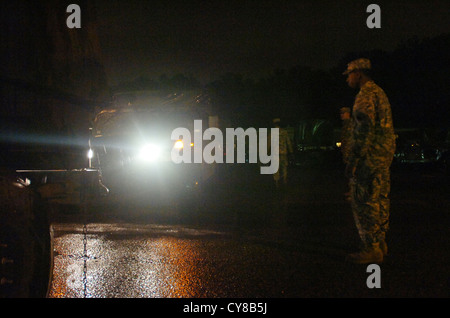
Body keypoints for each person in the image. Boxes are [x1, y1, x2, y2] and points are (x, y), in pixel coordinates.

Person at [343, 58, 396, 264]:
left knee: (364, 202)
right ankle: (380, 242)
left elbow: (364, 131)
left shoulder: (364, 96)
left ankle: (370, 248)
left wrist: (354, 160)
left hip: (369, 158)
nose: (347, 78)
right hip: (383, 156)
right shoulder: (379, 93)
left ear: (358, 74)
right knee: (380, 198)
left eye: (349, 74)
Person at [272, 118, 293, 188]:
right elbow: (288, 143)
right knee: (284, 167)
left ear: (274, 124)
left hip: (275, 154)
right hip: (283, 153)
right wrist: (291, 151)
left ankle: (276, 182)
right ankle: (284, 181)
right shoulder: (285, 132)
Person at [340, 107, 352, 201]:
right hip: (347, 153)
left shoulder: (351, 124)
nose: (342, 115)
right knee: (349, 173)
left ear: (348, 113)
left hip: (351, 154)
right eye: (341, 113)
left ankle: (353, 193)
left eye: (344, 113)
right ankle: (351, 191)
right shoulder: (346, 124)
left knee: (352, 174)